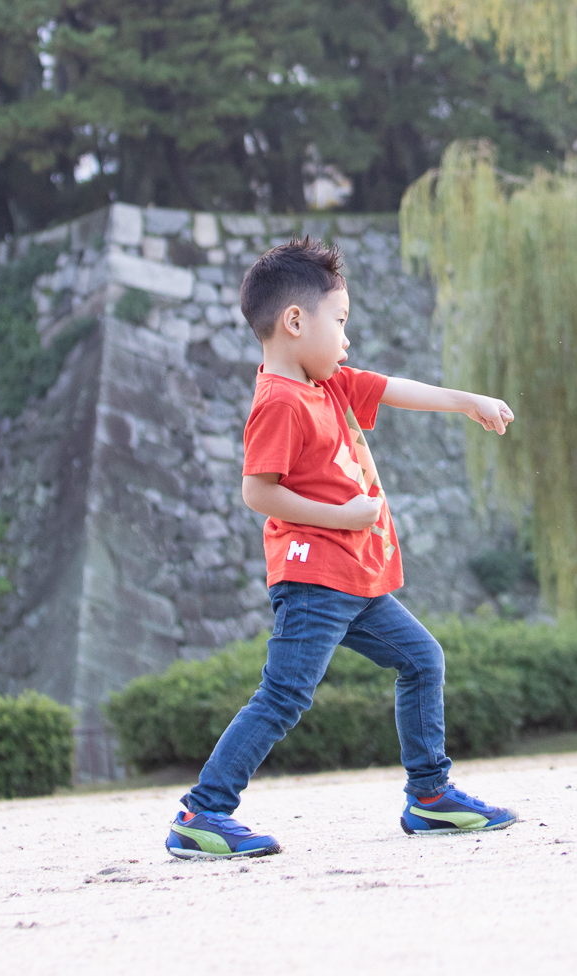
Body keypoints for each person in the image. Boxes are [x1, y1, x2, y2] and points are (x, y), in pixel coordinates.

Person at [165, 234, 517, 859]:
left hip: (353, 580)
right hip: (313, 579)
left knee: (422, 660)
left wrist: (470, 403)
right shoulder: (278, 400)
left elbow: (397, 389)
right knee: (284, 696)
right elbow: (257, 492)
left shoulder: (327, 385)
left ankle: (431, 798)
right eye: (342, 321)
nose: (347, 338)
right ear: (295, 321)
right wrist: (341, 513)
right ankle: (204, 812)